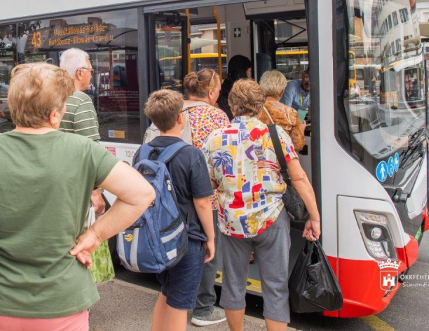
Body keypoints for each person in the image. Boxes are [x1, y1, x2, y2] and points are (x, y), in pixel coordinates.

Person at [0, 62, 154, 330]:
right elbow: (142, 194)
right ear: (54, 115)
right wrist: (95, 235)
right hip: (62, 303)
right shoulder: (83, 151)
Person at [203, 79, 321, 331]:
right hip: (272, 219)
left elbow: (209, 185)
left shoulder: (215, 138)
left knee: (234, 284)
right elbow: (299, 178)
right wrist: (314, 216)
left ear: (232, 105)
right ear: (259, 105)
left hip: (232, 221)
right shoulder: (274, 134)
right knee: (275, 286)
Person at [136, 89, 215, 331]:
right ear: (181, 118)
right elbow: (202, 202)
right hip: (185, 239)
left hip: (157, 237)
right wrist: (210, 238)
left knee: (166, 292)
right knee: (180, 304)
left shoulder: (144, 151)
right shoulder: (191, 154)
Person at [180, 70, 230, 327]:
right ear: (210, 92)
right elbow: (226, 158)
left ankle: (178, 302)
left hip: (175, 196)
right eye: (219, 90)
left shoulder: (174, 111)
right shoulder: (217, 116)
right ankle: (203, 309)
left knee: (181, 248)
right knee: (207, 250)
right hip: (205, 197)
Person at [59, 48, 112, 284]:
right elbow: (90, 150)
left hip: (58, 186)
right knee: (83, 242)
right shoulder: (80, 101)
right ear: (80, 73)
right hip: (77, 188)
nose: (92, 75)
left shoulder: (52, 96)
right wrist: (96, 192)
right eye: (91, 71)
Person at [258, 70, 306, 151]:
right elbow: (297, 145)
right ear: (282, 91)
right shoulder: (291, 113)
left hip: (259, 160)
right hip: (279, 161)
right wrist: (301, 129)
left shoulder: (254, 110)